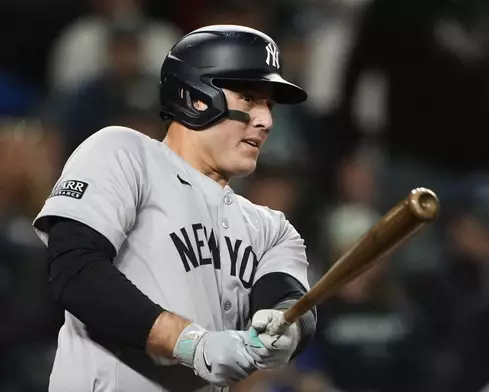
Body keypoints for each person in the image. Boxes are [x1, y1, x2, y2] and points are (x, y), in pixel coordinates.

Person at [32, 25, 317, 392]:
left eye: (269, 105)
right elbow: (75, 270)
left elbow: (291, 299)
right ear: (197, 98)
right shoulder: (124, 153)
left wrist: (286, 329)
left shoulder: (272, 228)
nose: (266, 120)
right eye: (249, 99)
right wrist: (190, 343)